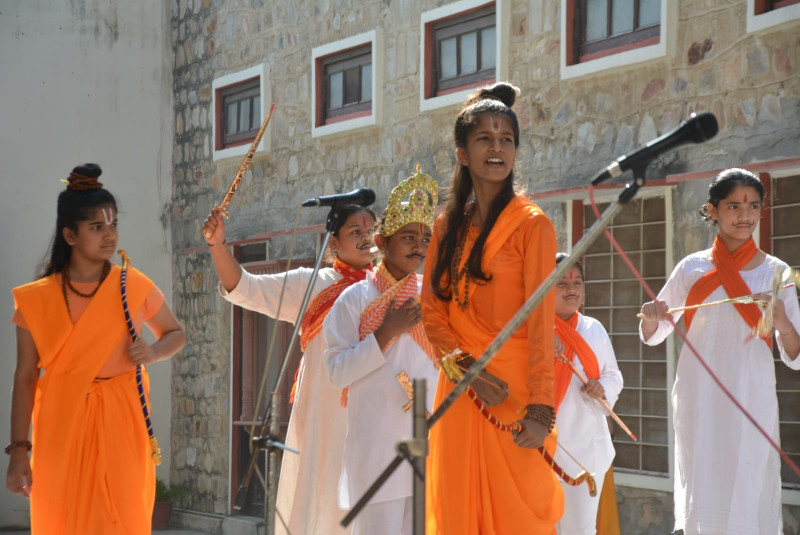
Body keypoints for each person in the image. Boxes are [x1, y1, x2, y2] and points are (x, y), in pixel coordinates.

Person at [6, 163, 186, 534]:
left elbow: (175, 334)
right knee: (61, 518)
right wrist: (19, 451)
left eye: (114, 224)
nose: (110, 235)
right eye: (97, 227)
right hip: (60, 421)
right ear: (70, 235)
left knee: (122, 518)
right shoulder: (36, 299)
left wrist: (153, 352)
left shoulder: (133, 285)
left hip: (123, 418)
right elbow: (25, 377)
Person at [421, 82, 564, 535]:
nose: (497, 148)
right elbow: (432, 311)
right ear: (463, 152)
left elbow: (542, 323)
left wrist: (541, 410)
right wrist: (469, 371)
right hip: (463, 392)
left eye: (507, 140)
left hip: (513, 395)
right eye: (485, 139)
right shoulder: (446, 227)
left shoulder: (533, 226)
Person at [639, 168, 800, 535]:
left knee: (748, 481)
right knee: (703, 485)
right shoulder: (691, 268)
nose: (744, 216)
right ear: (713, 210)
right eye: (733, 206)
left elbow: (795, 352)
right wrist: (651, 315)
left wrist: (782, 321)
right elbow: (655, 331)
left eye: (753, 206)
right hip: (701, 395)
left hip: (750, 395)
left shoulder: (777, 274)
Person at [202, 202, 376, 535]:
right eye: (356, 232)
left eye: (371, 230)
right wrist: (217, 245)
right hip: (323, 419)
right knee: (321, 504)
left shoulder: (389, 288)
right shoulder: (312, 284)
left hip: (371, 416)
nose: (366, 237)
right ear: (333, 243)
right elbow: (245, 287)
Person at [322, 168, 440, 535]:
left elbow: (449, 363)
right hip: (376, 449)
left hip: (427, 441)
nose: (418, 246)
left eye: (425, 238)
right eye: (408, 237)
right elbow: (337, 371)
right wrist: (386, 331)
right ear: (383, 242)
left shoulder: (435, 298)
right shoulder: (355, 300)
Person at [551, 253, 623, 535]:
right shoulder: (529, 328)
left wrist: (601, 387)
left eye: (577, 282)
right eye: (561, 283)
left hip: (585, 447)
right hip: (542, 444)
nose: (572, 289)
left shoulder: (593, 328)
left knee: (580, 529)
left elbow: (613, 374)